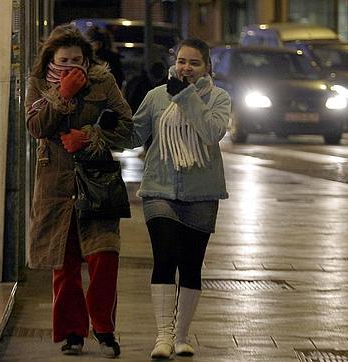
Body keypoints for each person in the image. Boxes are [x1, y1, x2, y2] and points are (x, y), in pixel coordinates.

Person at [24, 23, 133, 358]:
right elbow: (35, 126)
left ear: (87, 59)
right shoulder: (39, 85)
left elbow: (127, 127)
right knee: (66, 264)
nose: (71, 65)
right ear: (51, 60)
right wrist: (62, 95)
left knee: (104, 256)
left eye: (77, 59)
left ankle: (103, 326)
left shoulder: (103, 82)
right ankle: (72, 332)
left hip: (97, 184)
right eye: (64, 59)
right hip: (56, 187)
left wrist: (89, 136)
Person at [129, 38, 231, 359]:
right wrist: (111, 124)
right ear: (174, 63)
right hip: (160, 187)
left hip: (201, 192)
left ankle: (182, 335)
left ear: (207, 68)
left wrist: (186, 96)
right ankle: (163, 336)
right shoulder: (156, 97)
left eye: (194, 63)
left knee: (190, 265)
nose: (186, 68)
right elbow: (135, 134)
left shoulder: (218, 98)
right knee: (164, 256)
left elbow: (212, 131)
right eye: (182, 61)